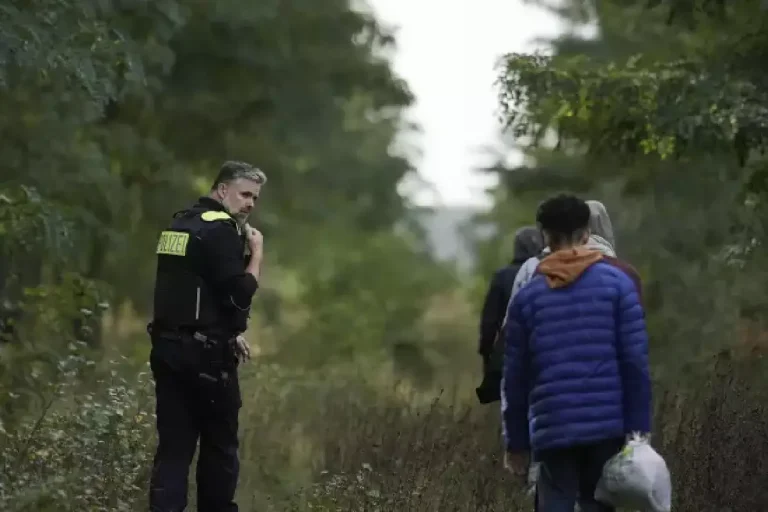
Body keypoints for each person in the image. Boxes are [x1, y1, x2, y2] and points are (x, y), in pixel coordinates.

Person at [501, 194, 652, 512]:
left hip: (552, 427)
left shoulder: (527, 299)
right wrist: (639, 428)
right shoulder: (618, 286)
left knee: (554, 501)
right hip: (608, 427)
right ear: (587, 235)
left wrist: (516, 442)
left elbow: (514, 378)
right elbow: (635, 362)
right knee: (597, 503)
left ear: (546, 237)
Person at [147, 160, 266, 512]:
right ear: (222, 189)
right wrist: (256, 253)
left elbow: (193, 291)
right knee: (219, 450)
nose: (249, 204)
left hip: (167, 351)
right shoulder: (222, 229)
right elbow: (239, 292)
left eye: (255, 199)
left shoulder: (180, 223)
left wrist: (228, 332)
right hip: (206, 361)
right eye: (245, 194)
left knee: (173, 451)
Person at [475, 226, 543, 404]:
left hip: (510, 352)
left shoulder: (502, 276)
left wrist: (487, 352)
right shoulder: (548, 272)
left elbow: (490, 321)